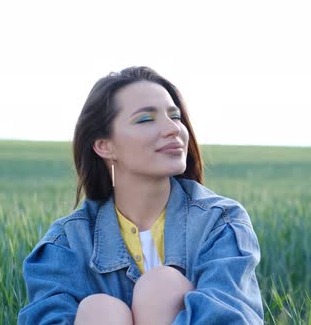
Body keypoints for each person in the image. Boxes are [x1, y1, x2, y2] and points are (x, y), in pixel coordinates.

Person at [18, 66, 264, 324]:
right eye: (146, 119)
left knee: (161, 287)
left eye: (176, 116)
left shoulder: (220, 223)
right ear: (104, 145)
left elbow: (230, 316)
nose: (173, 129)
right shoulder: (67, 243)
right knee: (99, 310)